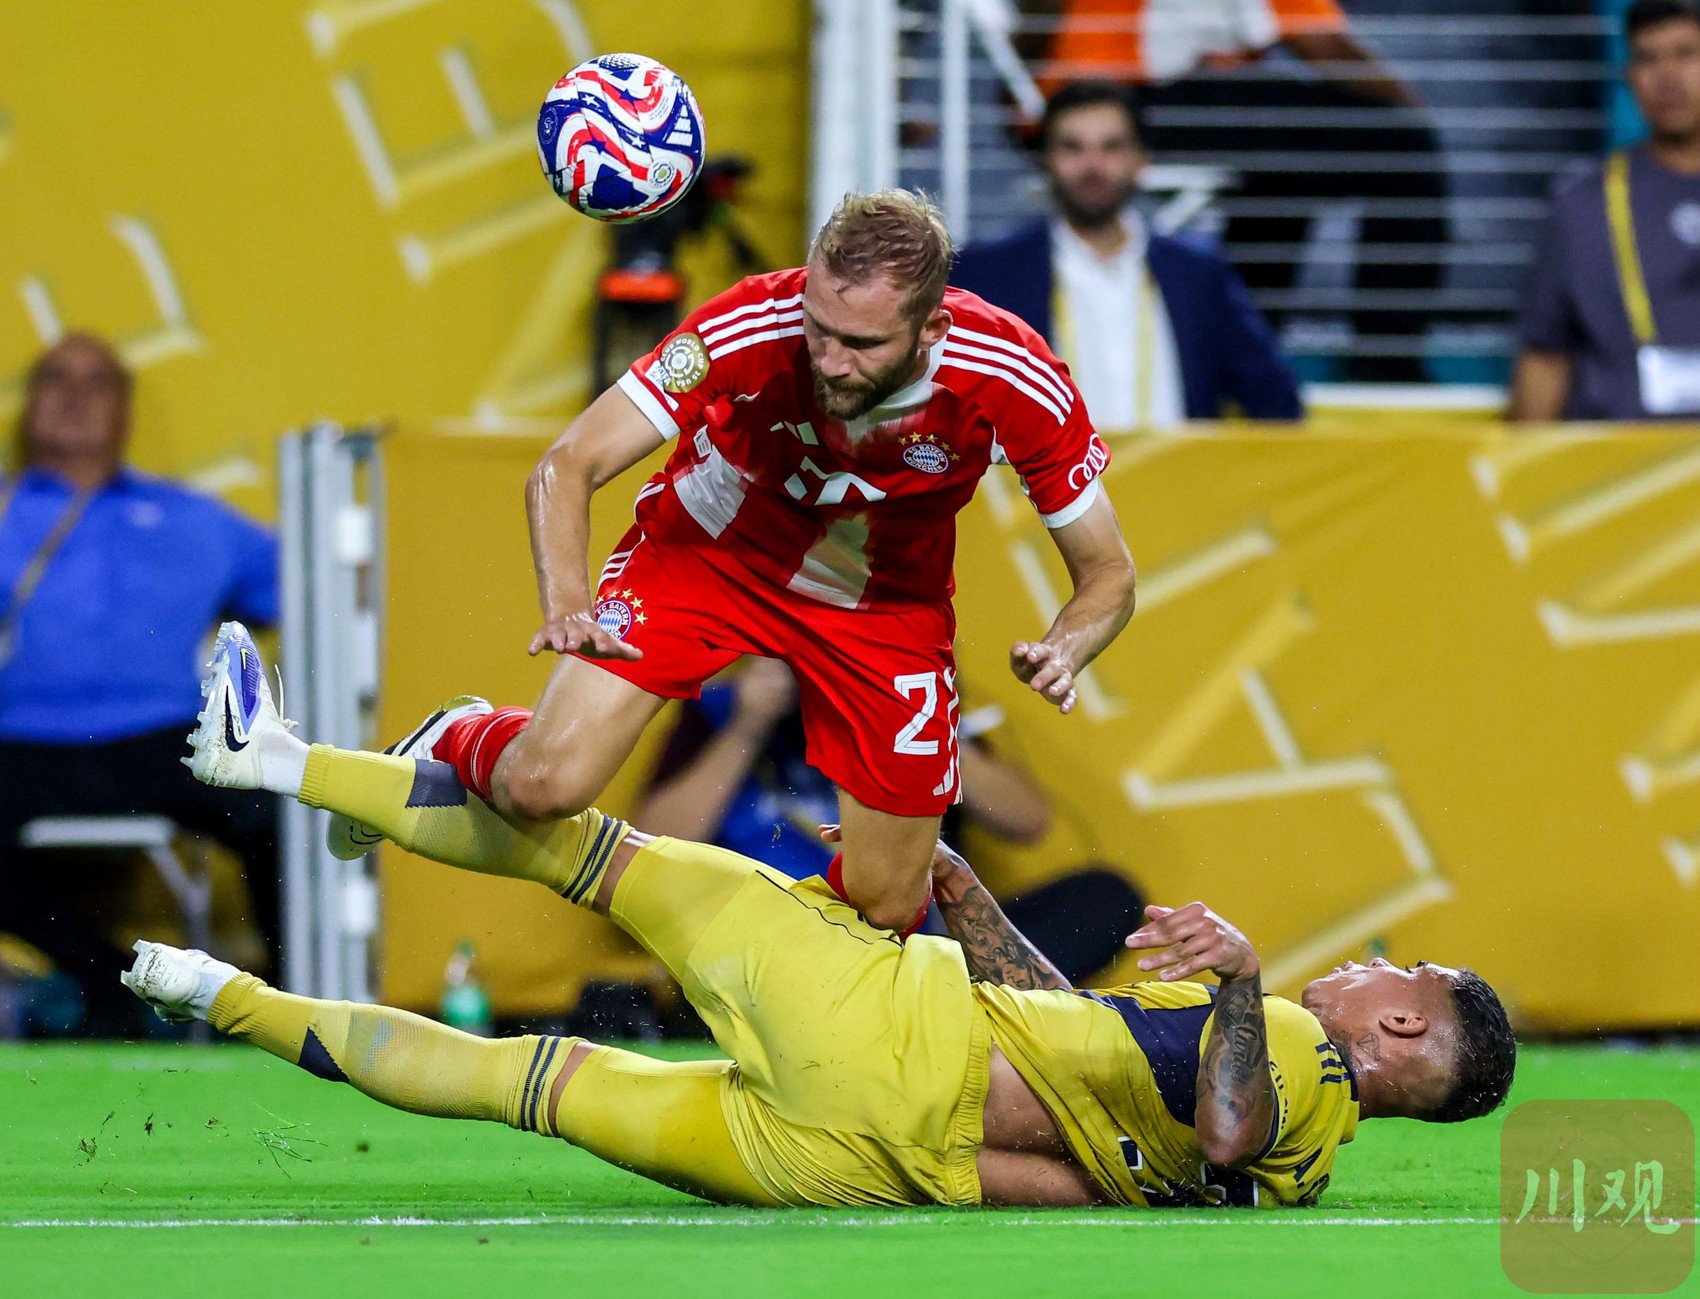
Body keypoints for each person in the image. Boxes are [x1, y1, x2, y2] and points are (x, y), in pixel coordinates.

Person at [147, 621, 1518, 1209]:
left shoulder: (1281, 1044)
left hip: (881, 1025)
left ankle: (271, 759)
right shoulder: (1300, 1172)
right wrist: (972, 902)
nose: (1371, 960)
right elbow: (1080, 1055)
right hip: (861, 1158)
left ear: (1400, 1024)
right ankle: (214, 989)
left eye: (1397, 967)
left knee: (607, 856)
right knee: (532, 1082)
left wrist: (1240, 974)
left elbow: (1227, 1100)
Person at [329, 190, 1138, 936]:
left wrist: (1069, 645)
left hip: (883, 609)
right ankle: (455, 736)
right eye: (818, 326)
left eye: (860, 343)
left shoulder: (1012, 375)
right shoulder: (749, 322)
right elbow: (566, 465)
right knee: (544, 785)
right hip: (707, 560)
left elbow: (1108, 574)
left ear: (931, 328)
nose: (826, 359)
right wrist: (570, 602)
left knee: (891, 902)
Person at [0, 336, 280, 1034]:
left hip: (163, 740)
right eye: (54, 378)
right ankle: (103, 978)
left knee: (283, 815)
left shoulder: (196, 519)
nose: (74, 394)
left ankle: (285, 1010)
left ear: (125, 410)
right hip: (21, 741)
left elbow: (311, 588)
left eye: (98, 380)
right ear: (27, 407)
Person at [637, 655, 1145, 984]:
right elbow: (655, 844)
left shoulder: (912, 700)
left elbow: (1029, 821)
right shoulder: (726, 712)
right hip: (782, 949)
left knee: (1106, 897)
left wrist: (916, 720)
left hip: (918, 948)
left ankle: (934, 1005)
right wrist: (748, 725)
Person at [1021, 1, 1446, 384]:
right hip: (1119, 96)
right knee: (1402, 144)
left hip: (1088, 93)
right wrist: (1410, 112)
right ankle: (1386, 363)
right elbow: (1325, 46)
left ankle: (1243, 357)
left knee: (1289, 166)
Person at [952, 81, 1302, 427]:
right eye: (1073, 148)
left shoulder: (1196, 272)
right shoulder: (989, 276)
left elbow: (1276, 400)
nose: (1093, 166)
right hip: (1038, 484)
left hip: (1179, 481)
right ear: (1045, 160)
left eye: (1112, 147)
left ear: (1141, 159)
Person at [1511, 0, 1700, 423]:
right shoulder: (1583, 201)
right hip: (1616, 471)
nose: (1667, 77)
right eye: (1648, 58)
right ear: (1629, 78)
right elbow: (1545, 358)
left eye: (1687, 54)